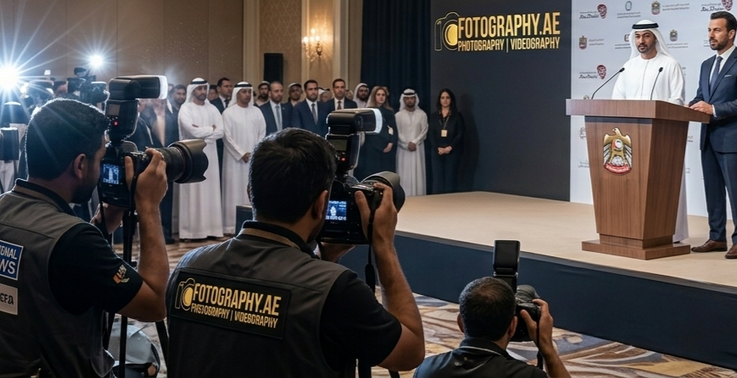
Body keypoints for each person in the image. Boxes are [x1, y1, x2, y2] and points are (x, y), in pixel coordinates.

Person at [166, 128, 425, 376]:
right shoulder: (337, 291)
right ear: (321, 204)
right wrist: (383, 246)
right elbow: (409, 352)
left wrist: (323, 260)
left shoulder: (188, 267)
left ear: (250, 193)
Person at [0, 99, 171, 377]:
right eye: (100, 159)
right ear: (80, 164)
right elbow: (154, 305)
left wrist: (101, 223)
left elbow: (49, 273)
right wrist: (149, 207)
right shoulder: (73, 242)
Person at [688, 11, 737, 260]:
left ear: (731, 33)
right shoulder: (706, 64)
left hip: (733, 139)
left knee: (736, 193)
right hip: (708, 137)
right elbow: (702, 96)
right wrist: (690, 106)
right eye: (709, 30)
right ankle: (717, 237)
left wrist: (714, 109)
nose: (711, 35)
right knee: (713, 191)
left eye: (716, 30)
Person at [614, 20, 690, 242]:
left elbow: (676, 100)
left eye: (646, 36)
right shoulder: (628, 67)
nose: (641, 41)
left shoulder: (669, 64)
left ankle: (670, 232)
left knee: (663, 186)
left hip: (661, 139)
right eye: (638, 37)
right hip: (630, 140)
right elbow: (617, 100)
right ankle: (632, 230)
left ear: (655, 38)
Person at [413, 277, 568, 378]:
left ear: (460, 323)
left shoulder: (427, 369)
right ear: (512, 326)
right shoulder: (526, 375)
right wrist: (547, 347)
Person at [176, 78, 225, 240]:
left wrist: (204, 135)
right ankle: (191, 232)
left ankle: (213, 230)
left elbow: (221, 131)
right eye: (199, 89)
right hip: (192, 155)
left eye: (205, 88)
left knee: (210, 191)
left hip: (210, 156)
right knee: (193, 191)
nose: (203, 92)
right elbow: (192, 131)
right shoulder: (186, 108)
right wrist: (211, 129)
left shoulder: (213, 109)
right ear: (193, 90)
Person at [131, 98, 178, 243]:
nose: (142, 104)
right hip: (143, 165)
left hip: (161, 161)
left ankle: (165, 232)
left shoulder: (170, 115)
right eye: (140, 102)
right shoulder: (142, 118)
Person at [221, 82, 265, 233]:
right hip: (234, 161)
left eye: (249, 92)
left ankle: (252, 226)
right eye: (243, 92)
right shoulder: (228, 113)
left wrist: (254, 151)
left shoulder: (257, 112)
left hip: (253, 158)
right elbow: (227, 137)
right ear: (237, 94)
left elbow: (262, 133)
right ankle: (231, 226)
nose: (247, 94)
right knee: (233, 190)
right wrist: (241, 153)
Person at [428, 89, 465, 195]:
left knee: (450, 178)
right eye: (442, 98)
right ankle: (437, 200)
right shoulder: (434, 116)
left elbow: (460, 134)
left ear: (451, 100)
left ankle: (450, 201)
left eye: (447, 98)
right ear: (439, 100)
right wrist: (437, 148)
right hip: (437, 151)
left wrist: (450, 147)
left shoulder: (457, 116)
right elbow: (431, 134)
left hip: (452, 151)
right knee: (437, 178)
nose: (445, 100)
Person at [358, 86, 399, 178]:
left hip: (387, 148)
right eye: (378, 95)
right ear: (374, 96)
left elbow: (394, 130)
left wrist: (390, 143)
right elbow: (368, 132)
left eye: (383, 95)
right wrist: (379, 146)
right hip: (372, 149)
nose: (381, 97)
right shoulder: (368, 112)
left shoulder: (389, 112)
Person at [397, 89, 429, 196]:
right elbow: (397, 132)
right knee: (404, 174)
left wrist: (414, 142)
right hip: (403, 150)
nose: (410, 100)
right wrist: (407, 144)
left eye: (412, 98)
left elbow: (424, 130)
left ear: (415, 99)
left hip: (417, 149)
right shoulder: (398, 116)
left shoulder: (422, 114)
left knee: (417, 173)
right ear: (403, 100)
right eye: (407, 99)